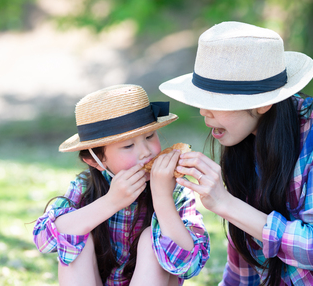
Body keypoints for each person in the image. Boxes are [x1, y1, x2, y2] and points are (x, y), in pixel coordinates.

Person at [158, 21, 313, 285]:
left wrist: (225, 203)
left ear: (263, 102)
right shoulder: (242, 147)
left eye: (217, 101)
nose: (204, 112)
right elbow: (242, 274)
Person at [33, 84, 210, 286]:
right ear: (96, 161)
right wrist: (111, 202)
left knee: (150, 239)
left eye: (150, 136)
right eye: (128, 145)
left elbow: (190, 265)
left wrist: (162, 197)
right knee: (77, 231)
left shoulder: (175, 188)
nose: (146, 152)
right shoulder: (84, 187)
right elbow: (43, 241)